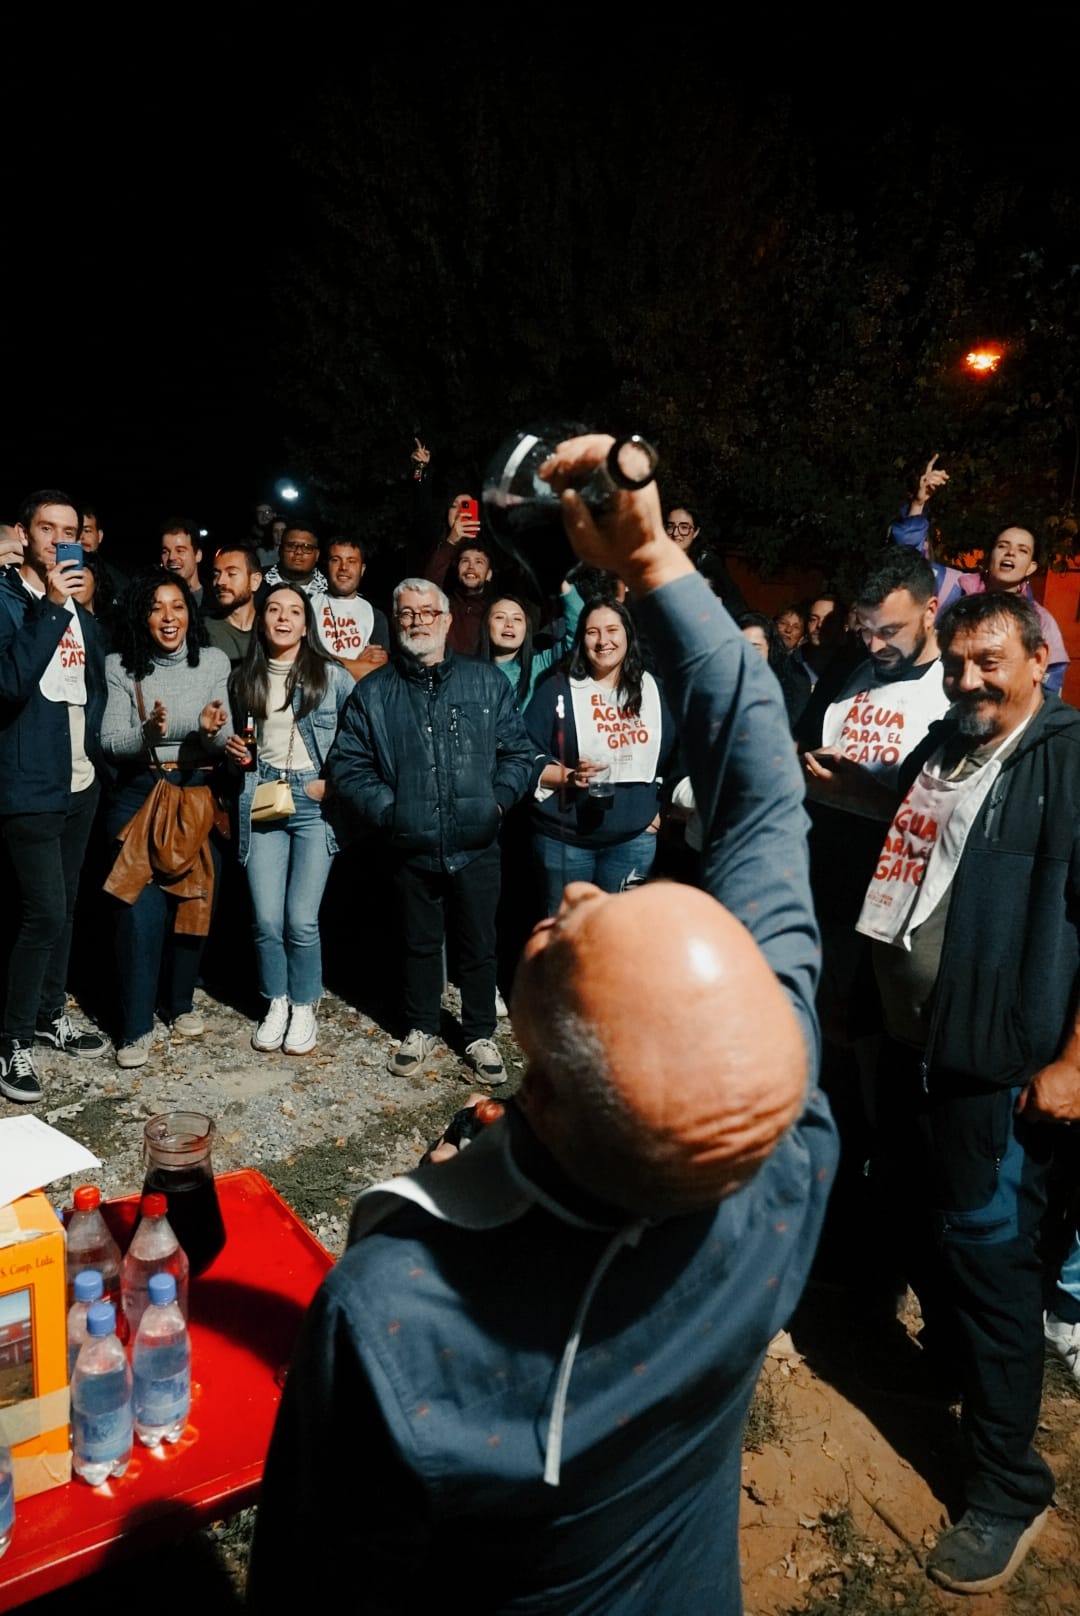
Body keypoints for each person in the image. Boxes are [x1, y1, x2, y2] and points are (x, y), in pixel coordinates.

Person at [249, 431, 836, 1616]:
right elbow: (765, 793)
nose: (577, 894)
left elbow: (315, 1586)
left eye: (573, 943)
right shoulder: (781, 1147)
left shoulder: (400, 1314)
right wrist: (657, 553)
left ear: (551, 1093)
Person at [856, 591, 1080, 1592]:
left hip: (997, 1067)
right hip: (916, 1048)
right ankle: (945, 1368)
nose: (969, 678)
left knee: (992, 1270)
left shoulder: (1068, 759)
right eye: (955, 661)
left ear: (1040, 659)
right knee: (932, 1230)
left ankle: (1007, 1484)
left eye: (989, 660)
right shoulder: (945, 746)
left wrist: (1077, 1059)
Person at [326, 578, 536, 1085]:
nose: (417, 621)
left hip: (477, 840)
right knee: (419, 942)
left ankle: (480, 1031)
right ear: (395, 623)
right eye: (406, 614)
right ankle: (420, 1025)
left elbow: (519, 753)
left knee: (479, 941)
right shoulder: (374, 692)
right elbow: (348, 764)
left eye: (427, 612)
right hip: (411, 842)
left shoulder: (486, 682)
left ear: (446, 620)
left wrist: (498, 803)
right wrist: (392, 812)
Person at [0, 491, 111, 1102]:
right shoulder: (10, 599)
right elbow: (10, 682)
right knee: (38, 911)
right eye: (47, 528)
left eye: (71, 530)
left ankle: (48, 1015)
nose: (59, 539)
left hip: (79, 779)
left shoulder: (77, 606)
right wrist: (50, 605)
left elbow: (88, 687)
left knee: (64, 907)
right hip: (28, 784)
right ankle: (12, 1039)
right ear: (25, 532)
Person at [100, 569, 231, 1068]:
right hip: (140, 793)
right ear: (142, 614)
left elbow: (220, 738)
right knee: (137, 909)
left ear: (189, 613)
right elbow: (112, 743)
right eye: (157, 607)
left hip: (195, 791)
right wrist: (149, 731)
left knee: (196, 900)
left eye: (177, 606)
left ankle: (179, 1003)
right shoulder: (121, 665)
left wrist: (208, 732)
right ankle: (135, 1027)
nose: (169, 616)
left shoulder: (212, 661)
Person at [225, 585, 352, 1056]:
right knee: (265, 918)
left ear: (306, 623)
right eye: (274, 609)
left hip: (313, 799)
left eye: (294, 611)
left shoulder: (332, 677)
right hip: (263, 793)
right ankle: (275, 1001)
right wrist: (235, 752)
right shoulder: (245, 678)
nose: (283, 618)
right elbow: (240, 740)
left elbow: (356, 740)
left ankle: (304, 1004)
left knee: (301, 919)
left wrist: (331, 781)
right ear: (262, 620)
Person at [526, 599, 676, 914]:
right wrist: (569, 776)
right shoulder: (557, 690)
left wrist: (661, 807)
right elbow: (525, 751)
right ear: (581, 639)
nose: (603, 640)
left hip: (633, 840)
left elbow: (678, 756)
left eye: (612, 630)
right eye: (592, 632)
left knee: (617, 938)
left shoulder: (656, 691)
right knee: (566, 937)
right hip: (565, 840)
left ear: (628, 635)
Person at [891, 454, 1069, 692]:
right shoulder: (951, 587)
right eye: (1002, 546)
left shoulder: (1041, 622)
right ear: (989, 556)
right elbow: (908, 564)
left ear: (1031, 567)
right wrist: (918, 504)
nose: (1010, 554)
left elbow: (1049, 687)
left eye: (1022, 550)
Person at [478, 581, 583, 709]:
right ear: (486, 626)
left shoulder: (538, 666)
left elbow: (580, 632)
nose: (509, 624)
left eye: (517, 619)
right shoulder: (467, 672)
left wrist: (561, 583)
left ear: (526, 630)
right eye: (500, 617)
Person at [308, 536, 390, 680]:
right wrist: (357, 664)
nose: (343, 567)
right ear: (327, 565)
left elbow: (376, 674)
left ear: (362, 569)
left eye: (351, 561)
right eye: (336, 560)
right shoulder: (307, 606)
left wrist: (322, 658)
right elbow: (304, 662)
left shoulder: (374, 615)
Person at [663, 504, 747, 615]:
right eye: (671, 526)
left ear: (696, 532)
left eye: (684, 527)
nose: (676, 533)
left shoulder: (706, 562)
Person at [736, 610, 808, 727]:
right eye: (742, 646)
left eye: (755, 647)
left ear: (769, 648)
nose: (747, 654)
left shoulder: (791, 683)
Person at [205, 546, 264, 666]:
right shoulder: (204, 630)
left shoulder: (269, 630)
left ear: (255, 581)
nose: (220, 581)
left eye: (231, 574)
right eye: (216, 574)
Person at [263, 526, 329, 596]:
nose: (298, 552)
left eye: (306, 547)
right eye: (291, 546)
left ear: (317, 555)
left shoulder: (330, 588)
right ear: (280, 551)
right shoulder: (257, 580)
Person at [160, 518, 207, 614]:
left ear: (198, 555)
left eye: (180, 550)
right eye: (165, 552)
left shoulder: (218, 606)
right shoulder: (150, 601)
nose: (171, 557)